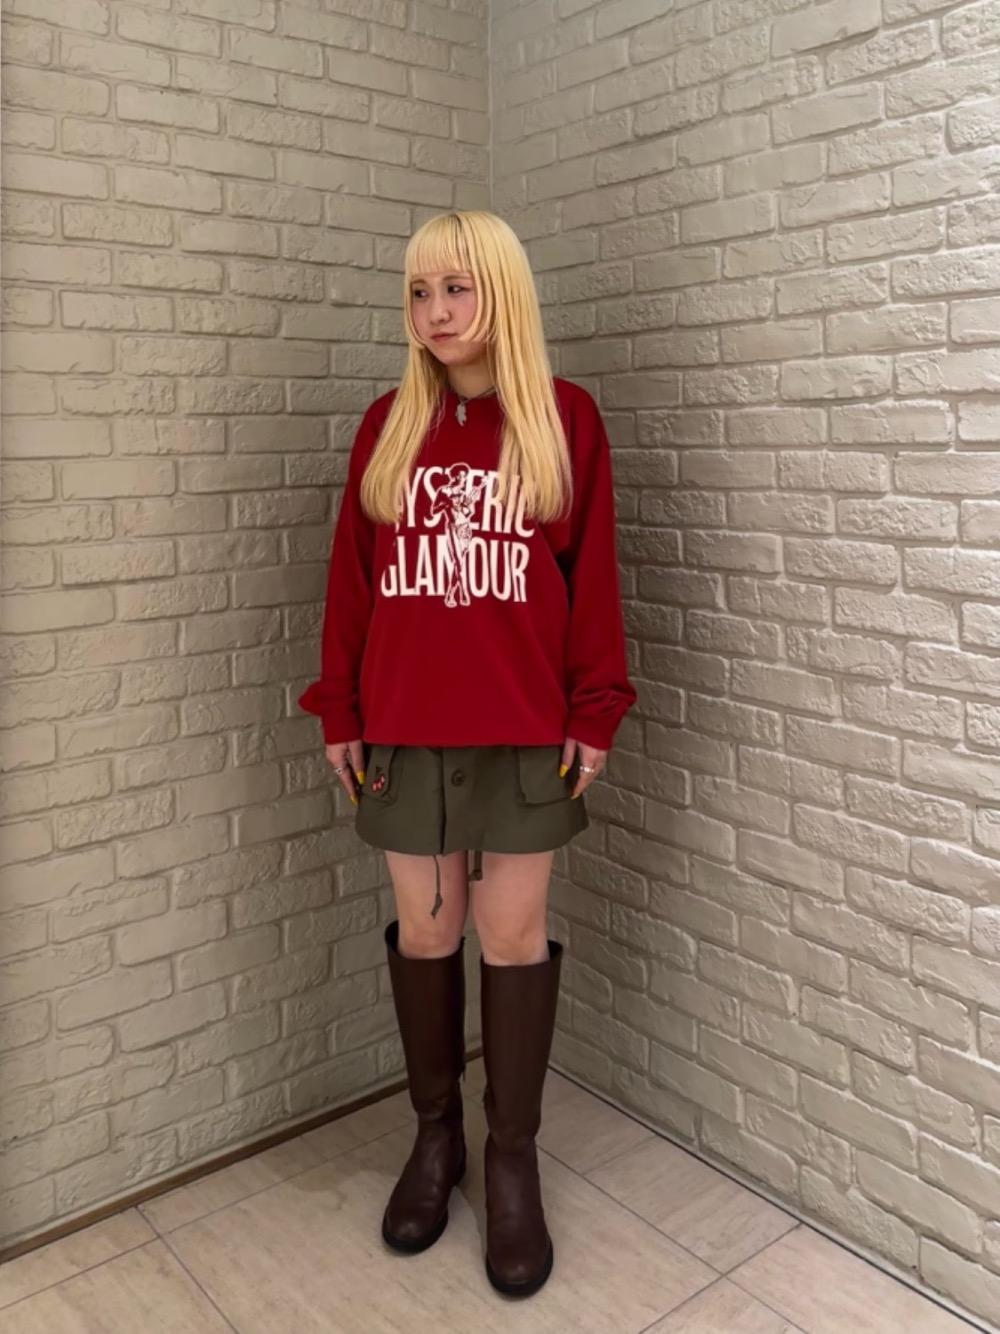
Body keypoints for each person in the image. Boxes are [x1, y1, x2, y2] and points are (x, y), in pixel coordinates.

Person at [297, 209, 637, 1299]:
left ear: (502, 292)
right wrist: (338, 707)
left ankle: (510, 1158)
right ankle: (435, 1136)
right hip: (402, 722)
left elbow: (593, 579)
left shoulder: (563, 420)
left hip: (525, 727)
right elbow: (351, 582)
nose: (435, 312)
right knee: (428, 928)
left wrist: (595, 709)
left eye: (456, 288)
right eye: (418, 291)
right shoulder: (388, 424)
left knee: (511, 932)